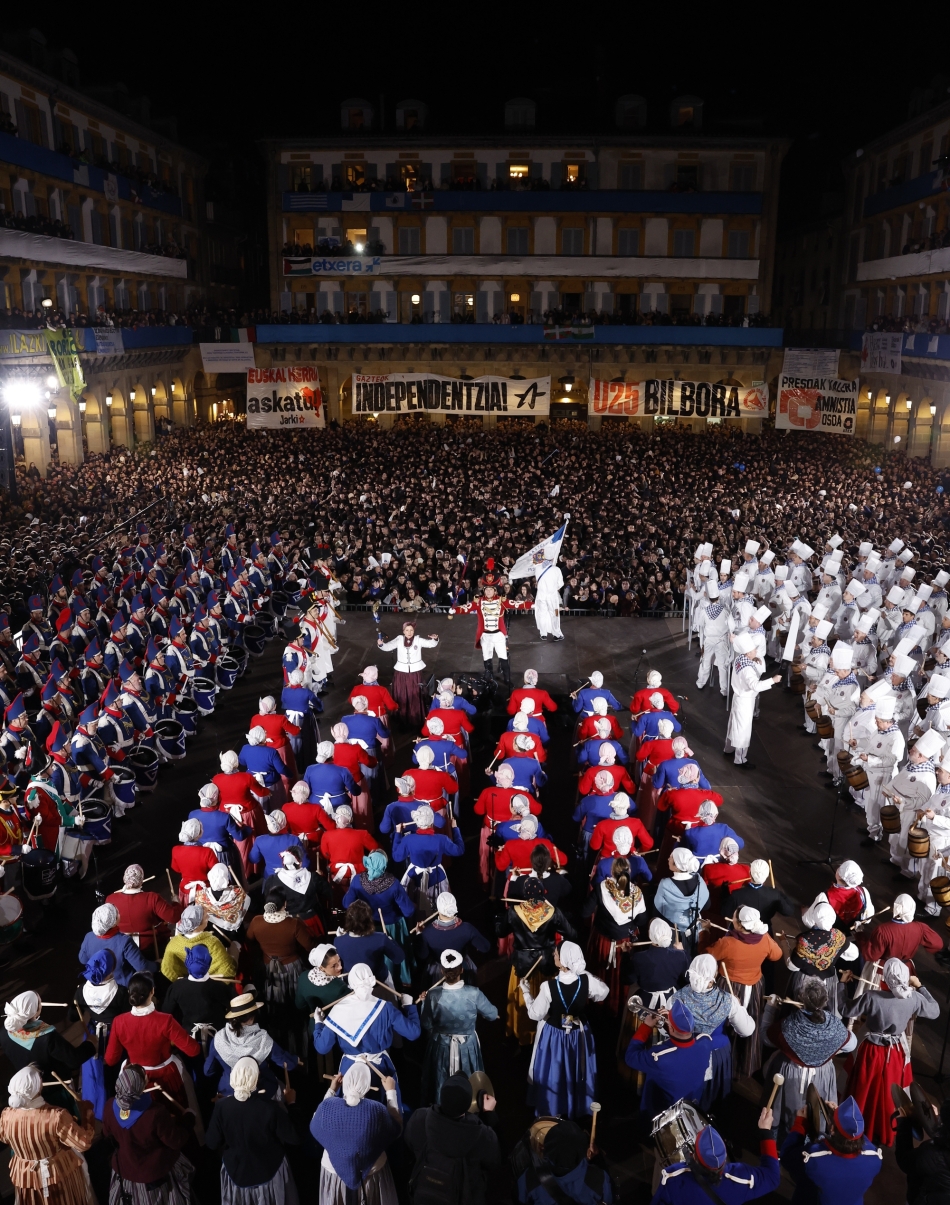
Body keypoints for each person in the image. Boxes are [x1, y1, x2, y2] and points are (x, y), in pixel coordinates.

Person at [843, 957, 940, 1146]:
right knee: (891, 1092)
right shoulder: (913, 997)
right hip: (895, 1051)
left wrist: (841, 985)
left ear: (885, 978)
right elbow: (935, 1011)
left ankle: (859, 1123)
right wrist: (920, 986)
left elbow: (846, 1009)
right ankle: (887, 1127)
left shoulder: (872, 996)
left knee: (865, 1087)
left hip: (871, 1051)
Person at [313, 964, 421, 1113]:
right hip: (380, 1067)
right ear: (372, 982)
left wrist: (319, 1023)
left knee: (348, 1108)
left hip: (348, 1068)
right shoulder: (386, 1008)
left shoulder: (338, 1010)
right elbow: (413, 1033)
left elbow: (322, 1047)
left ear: (350, 984)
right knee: (383, 1110)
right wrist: (409, 1006)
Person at [520, 941, 607, 1120]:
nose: (554, 956)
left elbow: (535, 1014)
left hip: (554, 1037)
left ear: (565, 960)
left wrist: (526, 993)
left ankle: (553, 1110)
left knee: (555, 1072)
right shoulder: (586, 980)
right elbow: (603, 992)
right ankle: (576, 1106)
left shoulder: (547, 987)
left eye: (556, 954)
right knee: (576, 1071)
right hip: (579, 1037)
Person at [764, 980, 856, 1141]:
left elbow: (766, 1037)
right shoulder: (833, 1025)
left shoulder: (789, 1025)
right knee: (817, 1113)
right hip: (822, 1075)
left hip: (791, 1073)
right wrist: (831, 1050)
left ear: (801, 1000)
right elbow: (851, 1044)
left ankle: (785, 1144)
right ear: (825, 1001)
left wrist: (770, 1009)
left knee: (786, 1109)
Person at [701, 905, 785, 1076]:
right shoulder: (764, 939)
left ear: (739, 925)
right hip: (754, 988)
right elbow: (776, 955)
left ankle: (721, 1061)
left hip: (728, 987)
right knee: (748, 1024)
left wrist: (705, 933)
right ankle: (744, 1063)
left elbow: (706, 955)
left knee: (724, 1025)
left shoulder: (727, 943)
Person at [206, 1057, 301, 1205]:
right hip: (270, 1170)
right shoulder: (270, 1107)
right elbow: (294, 1137)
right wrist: (292, 1104)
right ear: (256, 1079)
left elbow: (212, 1143)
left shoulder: (221, 1107)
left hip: (237, 1172)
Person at [0, 1064, 97, 1205]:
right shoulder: (55, 1117)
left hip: (27, 1178)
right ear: (38, 1088)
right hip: (58, 1174)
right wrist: (87, 1115)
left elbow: (5, 1138)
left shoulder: (6, 1115)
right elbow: (83, 1143)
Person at [101, 1063, 196, 1205]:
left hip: (125, 1170)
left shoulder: (109, 1106)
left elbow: (107, 1134)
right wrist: (188, 1120)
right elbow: (175, 1140)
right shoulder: (155, 1113)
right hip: (153, 1173)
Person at [105, 972, 202, 1111]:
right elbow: (193, 1050)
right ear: (152, 991)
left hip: (133, 1082)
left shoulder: (119, 1022)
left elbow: (110, 1060)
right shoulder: (165, 1020)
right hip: (166, 1077)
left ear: (129, 993)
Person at [311, 1062, 402, 1205]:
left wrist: (332, 1090)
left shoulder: (327, 1107)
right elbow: (396, 1128)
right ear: (367, 1085)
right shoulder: (377, 1110)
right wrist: (391, 1092)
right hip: (372, 1174)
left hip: (333, 1173)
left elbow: (316, 1121)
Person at [500, 876, 577, 1045]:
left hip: (522, 964)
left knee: (522, 999)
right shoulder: (553, 912)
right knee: (548, 1001)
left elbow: (500, 931)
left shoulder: (514, 911)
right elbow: (572, 934)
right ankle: (545, 1034)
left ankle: (523, 1033)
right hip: (546, 963)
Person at [672, 953, 754, 1110]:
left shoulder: (677, 998)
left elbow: (667, 1030)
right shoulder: (727, 1000)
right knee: (713, 1095)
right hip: (716, 1052)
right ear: (714, 975)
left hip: (685, 1049)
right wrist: (740, 1007)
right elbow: (747, 1030)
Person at [404, 1074, 501, 1205]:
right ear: (469, 1104)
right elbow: (495, 1162)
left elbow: (409, 1142)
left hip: (424, 1195)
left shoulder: (419, 1118)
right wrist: (490, 1114)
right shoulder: (483, 1134)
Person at [420, 949, 499, 1105]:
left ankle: (442, 1107)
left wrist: (424, 1003)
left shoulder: (433, 994)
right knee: (468, 1078)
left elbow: (426, 1023)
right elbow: (492, 1014)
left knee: (440, 1079)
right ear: (462, 969)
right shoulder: (474, 993)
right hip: (466, 1047)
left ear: (442, 970)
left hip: (441, 1046)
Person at [651, 1111, 780, 1205]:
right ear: (724, 1159)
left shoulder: (673, 1178)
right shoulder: (741, 1178)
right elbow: (772, 1177)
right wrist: (766, 1131)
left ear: (694, 1156)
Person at [780, 1097, 883, 1203]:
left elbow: (786, 1156)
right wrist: (843, 1118)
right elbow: (855, 1134)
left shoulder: (813, 1160)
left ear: (832, 1129)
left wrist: (800, 1123)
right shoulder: (875, 1158)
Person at [624, 999, 711, 1115]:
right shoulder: (705, 1043)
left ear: (672, 1028)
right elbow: (684, 1037)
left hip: (664, 1114)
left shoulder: (660, 1057)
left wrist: (646, 1026)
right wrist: (671, 1022)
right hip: (692, 1108)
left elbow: (630, 1057)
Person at [343, 849, 416, 984]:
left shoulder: (357, 880)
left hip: (364, 926)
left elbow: (347, 904)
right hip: (392, 927)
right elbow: (408, 911)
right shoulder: (393, 884)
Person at [1, 991, 96, 1083]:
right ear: (36, 1012)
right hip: (56, 1087)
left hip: (28, 1084)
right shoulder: (47, 1037)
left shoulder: (4, 1032)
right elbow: (74, 1060)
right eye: (39, 1003)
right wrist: (90, 1043)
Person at [516, 1117, 613, 1205]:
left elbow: (520, 1200)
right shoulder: (599, 1177)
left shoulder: (529, 1177)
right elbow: (607, 1201)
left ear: (548, 1148)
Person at [450, 584, 532, 685]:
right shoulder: (479, 601)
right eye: (486, 590)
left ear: (495, 591)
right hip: (485, 635)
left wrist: (532, 605)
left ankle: (507, 678)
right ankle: (489, 678)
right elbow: (468, 608)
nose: (488, 592)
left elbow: (516, 604)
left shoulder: (501, 600)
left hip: (498, 635)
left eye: (490, 590)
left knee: (503, 657)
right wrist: (455, 610)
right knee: (487, 657)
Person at [724, 632, 781, 769]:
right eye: (754, 649)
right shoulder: (748, 670)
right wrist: (772, 680)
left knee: (733, 725)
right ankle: (740, 759)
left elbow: (746, 662)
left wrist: (753, 659)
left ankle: (728, 749)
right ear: (748, 653)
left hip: (737, 698)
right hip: (745, 701)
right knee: (743, 729)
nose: (756, 650)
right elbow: (755, 685)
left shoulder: (740, 659)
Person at [415, 891, 492, 987]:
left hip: (439, 973)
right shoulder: (467, 928)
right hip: (461, 970)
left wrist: (419, 933)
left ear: (438, 909)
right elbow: (485, 947)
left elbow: (422, 955)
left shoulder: (427, 932)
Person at [376, 620, 440, 727]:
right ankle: (402, 716)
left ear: (414, 631)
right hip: (401, 672)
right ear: (403, 631)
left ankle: (416, 715)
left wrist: (435, 639)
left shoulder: (418, 640)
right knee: (402, 693)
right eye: (407, 630)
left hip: (415, 672)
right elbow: (387, 647)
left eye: (411, 630)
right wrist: (381, 644)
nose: (409, 632)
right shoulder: (399, 639)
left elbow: (431, 644)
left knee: (415, 693)